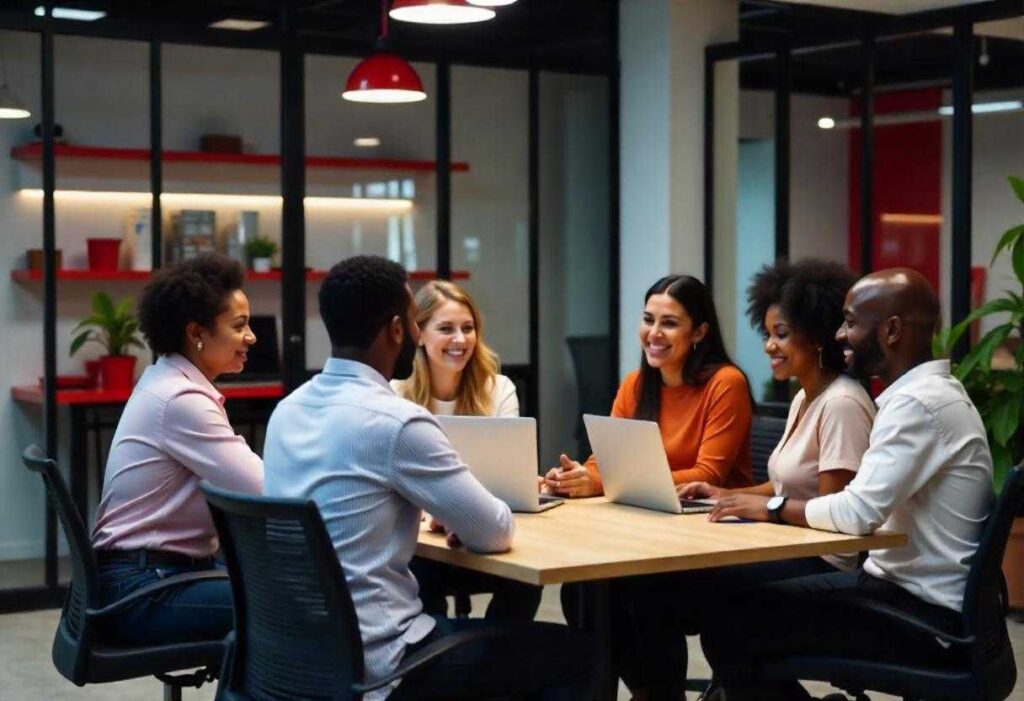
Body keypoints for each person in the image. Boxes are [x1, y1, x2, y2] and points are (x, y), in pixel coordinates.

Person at [262, 256, 595, 701]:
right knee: (583, 655)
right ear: (398, 330)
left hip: (297, 651)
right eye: (419, 325)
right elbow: (495, 530)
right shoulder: (397, 421)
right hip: (385, 661)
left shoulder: (289, 409)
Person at [700, 268, 994, 701]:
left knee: (729, 626)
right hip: (902, 597)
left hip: (921, 616)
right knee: (736, 612)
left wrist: (773, 507)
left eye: (852, 322)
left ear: (892, 331)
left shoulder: (918, 405)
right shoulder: (929, 396)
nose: (840, 334)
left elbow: (855, 514)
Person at [616, 259, 875, 698]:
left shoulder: (843, 405)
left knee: (687, 602)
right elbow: (785, 488)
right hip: (788, 547)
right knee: (632, 592)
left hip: (824, 565)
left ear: (815, 337)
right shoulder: (805, 400)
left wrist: (766, 509)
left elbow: (835, 516)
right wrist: (730, 494)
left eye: (781, 334)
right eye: (768, 333)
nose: (769, 346)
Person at [91, 253, 263, 646]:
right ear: (196, 332)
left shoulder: (166, 379)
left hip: (147, 575)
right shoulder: (181, 399)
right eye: (239, 326)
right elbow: (264, 488)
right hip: (143, 588)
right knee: (288, 604)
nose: (251, 337)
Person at [393, 280, 541, 621]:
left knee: (528, 577)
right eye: (446, 328)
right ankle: (441, 660)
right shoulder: (396, 392)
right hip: (425, 544)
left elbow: (509, 478)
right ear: (420, 334)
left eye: (468, 328)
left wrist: (464, 513)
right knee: (420, 575)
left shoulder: (499, 389)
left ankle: (493, 658)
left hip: (484, 530)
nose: (460, 340)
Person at [546, 274, 754, 498]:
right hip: (651, 509)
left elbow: (708, 476)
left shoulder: (726, 383)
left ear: (699, 332)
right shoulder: (635, 383)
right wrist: (574, 478)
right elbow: (608, 459)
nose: (654, 333)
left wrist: (601, 482)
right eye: (648, 319)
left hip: (717, 519)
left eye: (669, 323)